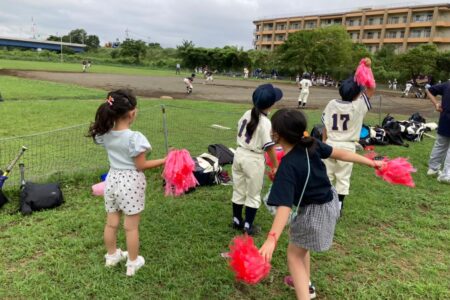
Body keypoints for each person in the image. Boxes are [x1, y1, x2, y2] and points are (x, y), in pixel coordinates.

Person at [259, 108, 384, 300]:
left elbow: (284, 207)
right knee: (300, 243)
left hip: (314, 210)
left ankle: (305, 293)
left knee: (294, 255)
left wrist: (271, 239)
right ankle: (305, 283)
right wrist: (370, 162)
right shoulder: (311, 144)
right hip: (328, 201)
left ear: (276, 134)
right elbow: (341, 154)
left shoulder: (288, 165)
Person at [87, 89, 166, 276]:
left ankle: (112, 256)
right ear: (132, 113)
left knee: (111, 223)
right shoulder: (134, 138)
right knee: (131, 227)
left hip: (112, 180)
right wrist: (165, 160)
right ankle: (132, 263)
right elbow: (141, 165)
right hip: (131, 182)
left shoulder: (105, 134)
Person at [321, 66, 375, 213]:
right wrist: (366, 70)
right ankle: (338, 206)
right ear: (358, 94)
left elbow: (324, 125)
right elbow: (371, 88)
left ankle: (323, 203)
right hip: (347, 147)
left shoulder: (332, 103)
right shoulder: (358, 106)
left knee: (326, 175)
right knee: (342, 178)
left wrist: (324, 141)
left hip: (330, 144)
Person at [231, 84, 281, 235]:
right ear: (271, 104)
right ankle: (247, 225)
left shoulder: (247, 113)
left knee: (239, 189)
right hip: (253, 159)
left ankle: (237, 220)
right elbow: (270, 147)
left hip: (239, 154)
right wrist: (276, 166)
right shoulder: (265, 122)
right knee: (253, 194)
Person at [425, 81, 450, 183]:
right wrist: (436, 103)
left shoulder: (447, 84)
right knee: (441, 144)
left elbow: (429, 90)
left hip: (445, 119)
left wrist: (436, 104)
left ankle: (433, 169)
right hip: (445, 117)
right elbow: (429, 90)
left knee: (440, 144)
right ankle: (446, 175)